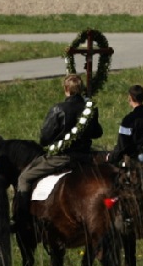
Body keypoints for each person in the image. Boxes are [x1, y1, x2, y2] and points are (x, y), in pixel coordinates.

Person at [12, 74, 103, 228]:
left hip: (63, 157)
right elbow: (97, 133)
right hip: (86, 157)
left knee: (24, 178)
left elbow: (44, 138)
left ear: (66, 89)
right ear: (80, 89)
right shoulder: (89, 110)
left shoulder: (59, 109)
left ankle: (21, 219)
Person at [110, 84, 143, 164]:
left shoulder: (129, 120)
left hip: (134, 165)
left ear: (130, 98)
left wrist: (111, 158)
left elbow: (122, 146)